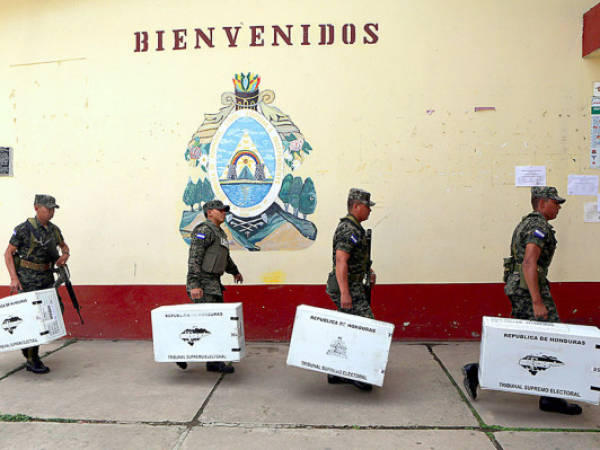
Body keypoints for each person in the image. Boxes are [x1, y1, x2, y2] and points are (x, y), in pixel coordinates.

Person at [463, 186, 582, 415]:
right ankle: (552, 398)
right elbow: (529, 262)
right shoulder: (538, 226)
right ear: (542, 202)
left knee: (520, 341)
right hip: (529, 289)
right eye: (555, 202)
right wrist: (537, 301)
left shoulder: (527, 223)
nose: (558, 207)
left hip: (520, 287)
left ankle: (477, 371)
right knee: (554, 339)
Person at [4, 194, 70, 374]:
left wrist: (64, 255)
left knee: (53, 312)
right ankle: (32, 358)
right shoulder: (24, 229)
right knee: (34, 318)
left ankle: (29, 350)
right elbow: (8, 253)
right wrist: (14, 278)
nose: (51, 212)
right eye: (47, 209)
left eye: (52, 209)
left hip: (47, 278)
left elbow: (64, 246)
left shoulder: (54, 230)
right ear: (36, 208)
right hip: (28, 279)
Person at [182, 199, 243, 373]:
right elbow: (194, 258)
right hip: (202, 282)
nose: (224, 212)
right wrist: (194, 284)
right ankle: (180, 353)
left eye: (225, 210)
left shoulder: (220, 233)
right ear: (210, 212)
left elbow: (224, 257)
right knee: (203, 324)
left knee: (215, 324)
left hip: (214, 283)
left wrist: (235, 272)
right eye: (221, 210)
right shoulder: (203, 231)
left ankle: (213, 361)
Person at [325, 188, 376, 391]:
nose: (369, 211)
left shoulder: (355, 228)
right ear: (356, 206)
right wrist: (346, 292)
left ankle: (337, 372)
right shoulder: (349, 229)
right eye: (367, 207)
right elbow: (341, 260)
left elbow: (354, 257)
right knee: (365, 327)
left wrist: (368, 269)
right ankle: (354, 373)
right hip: (348, 287)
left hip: (353, 284)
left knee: (348, 328)